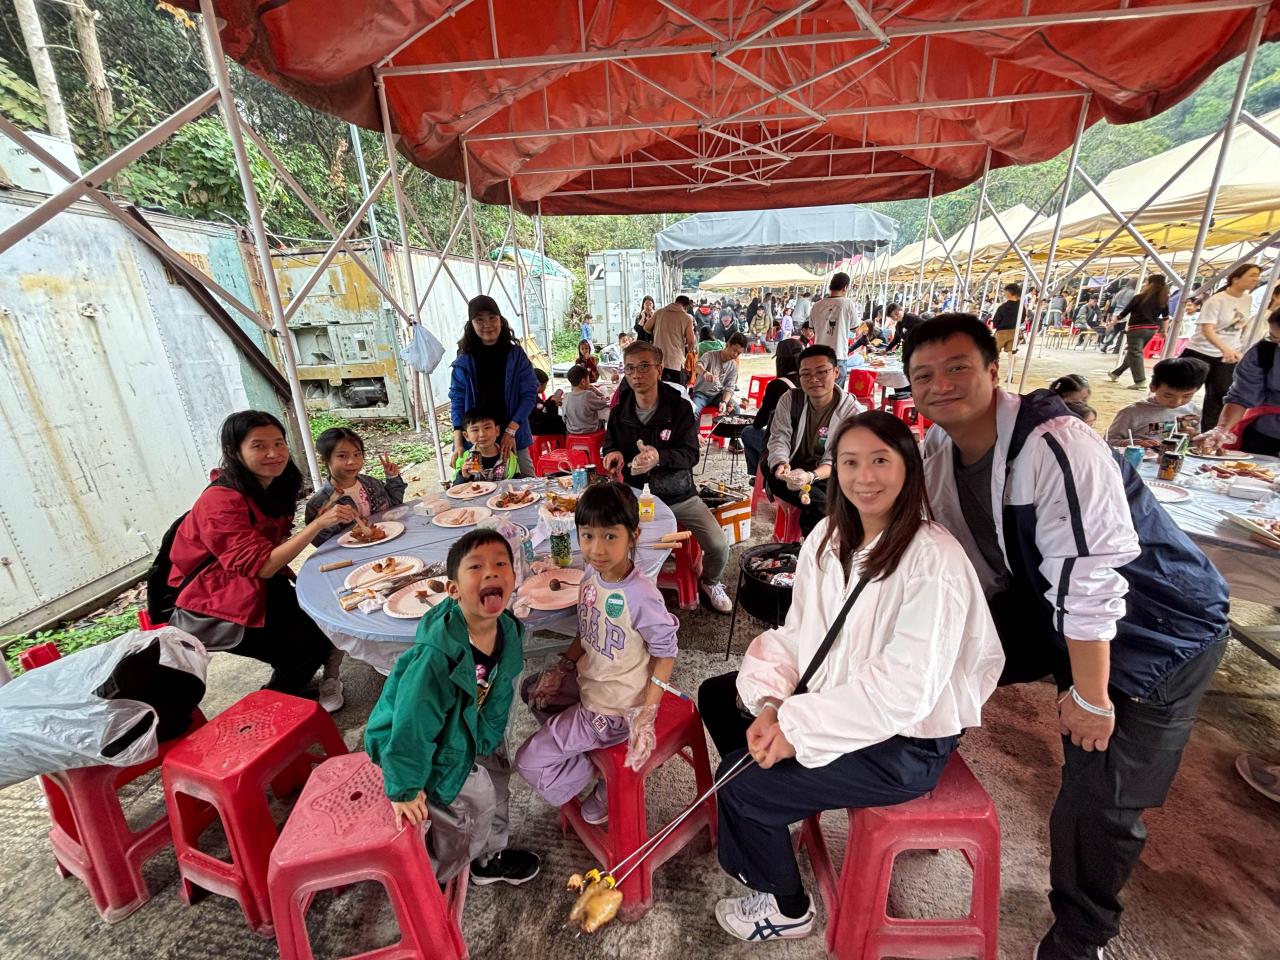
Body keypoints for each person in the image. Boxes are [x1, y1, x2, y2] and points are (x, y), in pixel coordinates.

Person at [905, 314, 1230, 960]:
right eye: (923, 375)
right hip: (1047, 605)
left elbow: (1091, 580)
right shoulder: (939, 450)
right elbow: (959, 559)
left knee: (1099, 795)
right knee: (930, 661)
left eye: (957, 367)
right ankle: (911, 785)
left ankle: (1081, 938)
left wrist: (1090, 695)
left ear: (994, 370)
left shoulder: (1056, 443)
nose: (941, 385)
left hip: (1154, 628)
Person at [697, 411, 1004, 944]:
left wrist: (796, 728)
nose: (865, 477)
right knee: (720, 696)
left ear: (908, 467)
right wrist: (771, 704)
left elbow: (903, 691)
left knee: (741, 782)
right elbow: (799, 635)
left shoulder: (933, 560)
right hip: (838, 697)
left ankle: (788, 906)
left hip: (906, 741)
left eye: (880, 461)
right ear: (833, 469)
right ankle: (776, 809)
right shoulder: (827, 538)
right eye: (850, 462)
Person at [364, 529, 541, 887]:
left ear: (514, 577)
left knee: (497, 779)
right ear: (453, 590)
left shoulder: (506, 630)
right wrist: (405, 787)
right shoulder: (435, 658)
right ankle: (438, 875)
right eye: (476, 567)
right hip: (426, 746)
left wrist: (487, 740)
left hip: (469, 729)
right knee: (469, 807)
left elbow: (501, 690)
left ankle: (488, 859)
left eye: (500, 564)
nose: (491, 572)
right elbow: (411, 726)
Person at [167, 411, 353, 712]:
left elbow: (270, 547)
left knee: (321, 624)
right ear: (234, 451)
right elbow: (262, 565)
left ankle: (293, 684)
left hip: (258, 582)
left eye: (279, 443)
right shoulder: (219, 501)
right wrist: (317, 526)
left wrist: (315, 521)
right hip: (216, 599)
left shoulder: (275, 485)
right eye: (258, 445)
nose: (273, 453)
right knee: (303, 649)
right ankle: (270, 707)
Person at [516, 483, 680, 823]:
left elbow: (666, 653)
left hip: (613, 709)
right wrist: (562, 667)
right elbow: (588, 628)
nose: (597, 548)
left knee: (528, 762)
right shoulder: (592, 573)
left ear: (633, 536)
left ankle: (599, 773)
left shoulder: (641, 595)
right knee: (533, 689)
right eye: (588, 536)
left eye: (610, 536)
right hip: (591, 684)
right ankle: (585, 752)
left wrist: (647, 712)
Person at [601, 341, 733, 613]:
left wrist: (659, 457)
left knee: (719, 545)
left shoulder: (680, 408)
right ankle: (632, 590)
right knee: (618, 542)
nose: (636, 375)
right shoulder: (619, 412)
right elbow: (610, 444)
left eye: (644, 367)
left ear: (659, 370)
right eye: (630, 368)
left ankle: (710, 582)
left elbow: (691, 454)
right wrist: (613, 454)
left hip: (679, 494)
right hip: (637, 497)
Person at [764, 345, 864, 535]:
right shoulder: (790, 400)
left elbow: (839, 458)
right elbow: (779, 438)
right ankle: (817, 548)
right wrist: (781, 463)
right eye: (806, 373)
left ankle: (812, 546)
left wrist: (811, 476)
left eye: (821, 371)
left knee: (840, 505)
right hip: (788, 473)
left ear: (836, 372)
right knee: (823, 506)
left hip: (829, 474)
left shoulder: (851, 412)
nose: (814, 379)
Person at [449, 294, 540, 476]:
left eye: (492, 317)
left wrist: (510, 431)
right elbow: (457, 401)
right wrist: (458, 442)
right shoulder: (464, 360)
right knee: (474, 484)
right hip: (478, 438)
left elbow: (529, 395)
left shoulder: (516, 356)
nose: (487, 324)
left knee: (525, 481)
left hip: (513, 433)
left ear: (500, 320)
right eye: (479, 320)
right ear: (471, 325)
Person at [1182, 262, 1263, 430]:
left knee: (1219, 397)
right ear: (1235, 278)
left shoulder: (1247, 299)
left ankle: (1209, 434)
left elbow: (1240, 327)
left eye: (1257, 276)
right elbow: (1207, 329)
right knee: (1182, 390)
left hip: (1227, 358)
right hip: (1200, 352)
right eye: (1252, 275)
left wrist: (1237, 349)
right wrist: (1225, 349)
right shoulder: (1216, 300)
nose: (1256, 279)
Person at [1198, 305, 1280, 455]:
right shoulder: (1264, 352)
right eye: (1274, 337)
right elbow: (1242, 396)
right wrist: (1221, 429)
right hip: (1264, 434)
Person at [304, 427, 405, 547]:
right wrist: (321, 522)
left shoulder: (372, 484)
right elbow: (321, 544)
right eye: (342, 456)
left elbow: (395, 505)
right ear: (324, 460)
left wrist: (393, 478)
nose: (352, 461)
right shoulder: (318, 503)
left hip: (388, 542)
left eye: (357, 454)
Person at [1105, 357, 1207, 447]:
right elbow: (1108, 442)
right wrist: (1135, 443)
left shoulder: (1195, 412)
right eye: (1168, 395)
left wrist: (1194, 437)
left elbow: (1196, 444)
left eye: (1187, 396)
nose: (1177, 402)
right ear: (1153, 387)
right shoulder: (1131, 413)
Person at [742, 339, 802, 478]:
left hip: (785, 449)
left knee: (747, 432)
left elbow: (759, 423)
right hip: (802, 445)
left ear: (780, 361)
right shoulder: (807, 381)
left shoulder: (777, 385)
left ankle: (758, 475)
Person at [1107, 275, 1169, 389]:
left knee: (1135, 353)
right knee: (1133, 353)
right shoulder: (1163, 299)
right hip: (1151, 330)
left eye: (1147, 282)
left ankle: (1140, 380)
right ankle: (1116, 373)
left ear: (1150, 284)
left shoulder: (1139, 297)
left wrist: (1113, 322)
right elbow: (1165, 317)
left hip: (1136, 329)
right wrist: (1164, 331)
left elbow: (1124, 312)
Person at [810, 272, 860, 375]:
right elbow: (855, 328)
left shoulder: (816, 305)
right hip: (838, 353)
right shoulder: (848, 303)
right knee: (838, 384)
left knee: (820, 383)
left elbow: (812, 328)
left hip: (819, 354)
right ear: (845, 287)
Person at [453, 410, 521, 482]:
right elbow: (455, 487)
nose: (482, 434)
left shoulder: (509, 457)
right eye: (475, 430)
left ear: (497, 431)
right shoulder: (463, 459)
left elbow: (517, 482)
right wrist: (463, 476)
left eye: (487, 428)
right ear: (466, 436)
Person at [690, 332, 747, 416]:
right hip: (701, 394)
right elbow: (697, 366)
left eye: (739, 353)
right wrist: (705, 373)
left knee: (735, 409)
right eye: (734, 350)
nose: (735, 355)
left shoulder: (733, 366)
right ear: (728, 344)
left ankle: (725, 425)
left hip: (718, 395)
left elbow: (729, 387)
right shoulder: (710, 355)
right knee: (692, 411)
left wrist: (724, 402)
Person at [645, 295, 697, 385]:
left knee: (659, 389)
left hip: (658, 361)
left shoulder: (659, 312)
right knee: (676, 390)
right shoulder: (687, 318)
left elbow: (646, 327)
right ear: (686, 306)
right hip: (675, 362)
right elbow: (691, 342)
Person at [561, 365, 610, 434]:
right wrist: (597, 391)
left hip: (572, 431)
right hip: (589, 430)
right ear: (583, 381)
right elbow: (603, 403)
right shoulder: (588, 395)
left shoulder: (566, 397)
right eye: (588, 379)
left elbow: (564, 419)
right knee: (602, 421)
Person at [528, 367, 568, 437]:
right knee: (563, 423)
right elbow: (543, 414)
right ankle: (565, 442)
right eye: (545, 385)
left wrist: (550, 400)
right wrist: (552, 403)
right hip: (536, 427)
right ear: (538, 385)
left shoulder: (530, 395)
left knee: (560, 419)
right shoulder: (531, 399)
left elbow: (543, 408)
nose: (545, 387)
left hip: (535, 424)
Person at [1100, 278, 1136, 354]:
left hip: (1116, 314)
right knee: (1123, 332)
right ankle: (1117, 349)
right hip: (1126, 314)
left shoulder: (1120, 292)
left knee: (1115, 331)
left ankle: (1105, 345)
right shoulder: (1134, 293)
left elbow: (1112, 304)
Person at [991, 283, 1022, 361]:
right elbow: (1022, 319)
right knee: (1011, 353)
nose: (1004, 293)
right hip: (1015, 331)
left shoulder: (1003, 307)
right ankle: (1011, 368)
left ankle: (993, 366)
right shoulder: (1021, 306)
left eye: (1005, 292)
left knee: (994, 353)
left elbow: (996, 320)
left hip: (1002, 332)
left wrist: (997, 326)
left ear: (1009, 293)